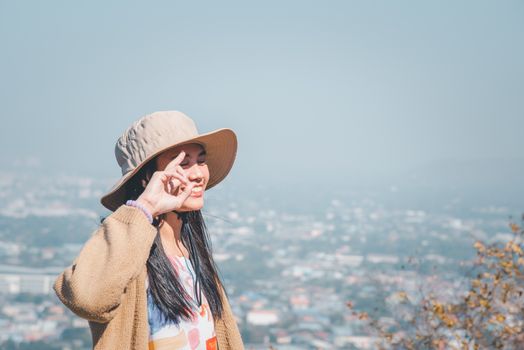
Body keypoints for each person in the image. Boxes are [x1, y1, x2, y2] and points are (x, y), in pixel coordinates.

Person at [53, 111, 244, 350]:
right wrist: (145, 207)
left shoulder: (192, 250)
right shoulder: (127, 254)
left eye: (201, 160)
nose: (197, 174)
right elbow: (86, 299)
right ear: (146, 179)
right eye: (183, 163)